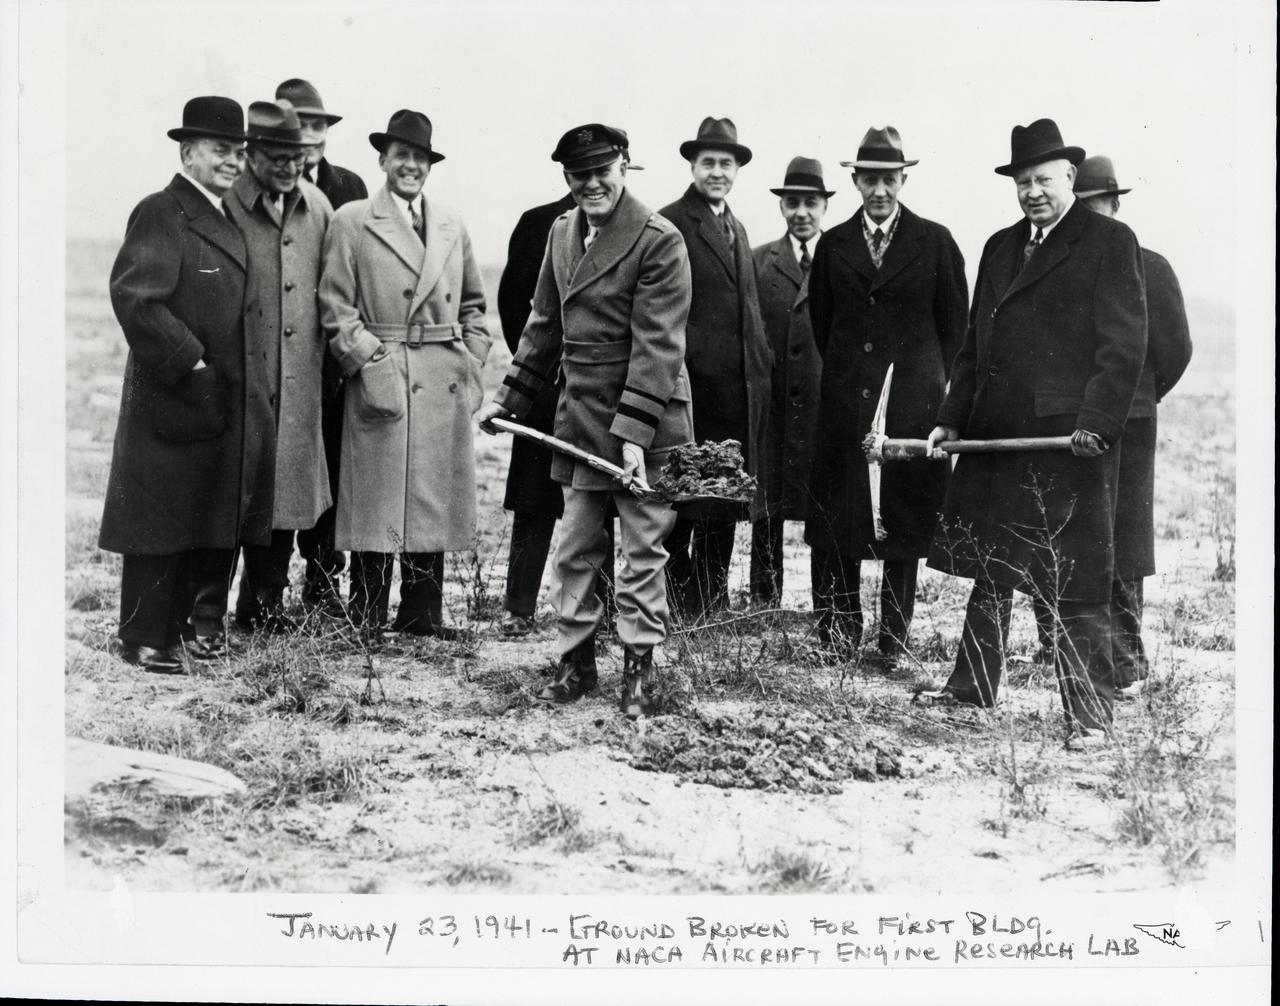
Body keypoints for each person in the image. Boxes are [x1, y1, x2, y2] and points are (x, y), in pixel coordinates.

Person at [919, 119, 1148, 750]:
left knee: (1076, 577)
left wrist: (1098, 426)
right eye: (1023, 181)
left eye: (1043, 179)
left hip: (1066, 443)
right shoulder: (998, 247)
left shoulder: (1108, 241)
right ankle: (971, 688)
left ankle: (1091, 716)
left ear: (1069, 177)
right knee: (994, 565)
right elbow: (974, 345)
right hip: (997, 436)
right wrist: (952, 416)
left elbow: (1122, 348)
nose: (1033, 192)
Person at [476, 123, 693, 719]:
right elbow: (543, 324)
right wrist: (509, 398)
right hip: (579, 418)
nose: (592, 183)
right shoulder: (561, 233)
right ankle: (575, 664)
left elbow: (658, 347)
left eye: (603, 170)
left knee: (643, 548)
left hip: (646, 421)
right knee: (574, 545)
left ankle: (640, 672)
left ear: (625, 165)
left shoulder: (660, 239)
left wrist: (632, 437)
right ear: (566, 179)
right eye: (579, 174)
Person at [99, 96, 274, 672]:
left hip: (209, 403)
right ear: (187, 152)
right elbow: (136, 297)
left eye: (239, 152)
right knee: (157, 521)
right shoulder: (162, 210)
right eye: (221, 150)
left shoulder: (223, 218)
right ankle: (143, 636)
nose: (233, 162)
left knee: (191, 518)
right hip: (171, 397)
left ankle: (170, 633)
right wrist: (191, 363)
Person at [319, 109, 491, 639]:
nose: (410, 166)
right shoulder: (352, 220)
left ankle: (423, 616)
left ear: (429, 165)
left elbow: (475, 306)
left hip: (442, 375)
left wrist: (472, 361)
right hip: (383, 370)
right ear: (383, 160)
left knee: (430, 498)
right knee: (376, 497)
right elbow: (336, 307)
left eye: (420, 157)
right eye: (401, 156)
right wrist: (371, 364)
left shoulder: (450, 223)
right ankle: (368, 615)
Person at [1029, 155, 1192, 698]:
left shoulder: (1152, 265)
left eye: (1098, 205)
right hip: (1071, 420)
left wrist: (1135, 400)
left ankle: (1124, 665)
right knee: (1065, 532)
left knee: (1121, 540)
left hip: (1131, 422)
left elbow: (1173, 351)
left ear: (1115, 204)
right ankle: (1062, 647)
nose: (1090, 216)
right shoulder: (1053, 260)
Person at [805, 127, 968, 662]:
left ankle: (893, 641)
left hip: (911, 408)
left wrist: (931, 393)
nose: (880, 190)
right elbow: (824, 323)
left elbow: (955, 331)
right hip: (847, 404)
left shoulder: (936, 242)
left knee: (903, 524)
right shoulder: (833, 246)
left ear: (904, 180)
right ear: (854, 180)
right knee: (839, 523)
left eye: (889, 179)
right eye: (869, 179)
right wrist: (852, 377)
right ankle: (836, 634)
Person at [224, 99, 334, 631]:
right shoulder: (224, 204)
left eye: (299, 156)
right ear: (252, 153)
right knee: (233, 495)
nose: (292, 167)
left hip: (300, 383)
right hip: (240, 379)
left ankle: (262, 608)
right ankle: (204, 610)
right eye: (279, 157)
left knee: (288, 495)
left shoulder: (318, 207)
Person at [659, 117, 772, 619]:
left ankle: (712, 600)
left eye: (727, 164)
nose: (718, 172)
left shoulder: (738, 226)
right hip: (691, 392)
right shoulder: (671, 223)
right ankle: (677, 598)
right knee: (683, 504)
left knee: (723, 501)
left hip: (736, 393)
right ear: (692, 165)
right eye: (709, 163)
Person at [496, 191, 616, 638]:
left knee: (598, 495)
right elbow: (518, 308)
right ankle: (518, 606)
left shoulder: (630, 228)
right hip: (545, 388)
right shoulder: (541, 221)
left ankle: (599, 601)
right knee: (534, 499)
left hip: (600, 393)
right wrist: (539, 375)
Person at [275, 78, 368, 613]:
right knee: (280, 468)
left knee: (333, 464)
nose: (307, 136)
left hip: (334, 355)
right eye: (297, 124)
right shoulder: (254, 181)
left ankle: (322, 583)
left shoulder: (350, 185)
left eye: (316, 125)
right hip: (282, 357)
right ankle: (263, 590)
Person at [748, 156, 831, 604]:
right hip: (774, 403)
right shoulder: (760, 261)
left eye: (811, 203)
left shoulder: (839, 257)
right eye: (793, 203)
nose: (802, 212)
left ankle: (827, 602)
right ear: (782, 207)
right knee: (768, 503)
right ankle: (764, 598)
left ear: (825, 207)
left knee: (824, 504)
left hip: (822, 403)